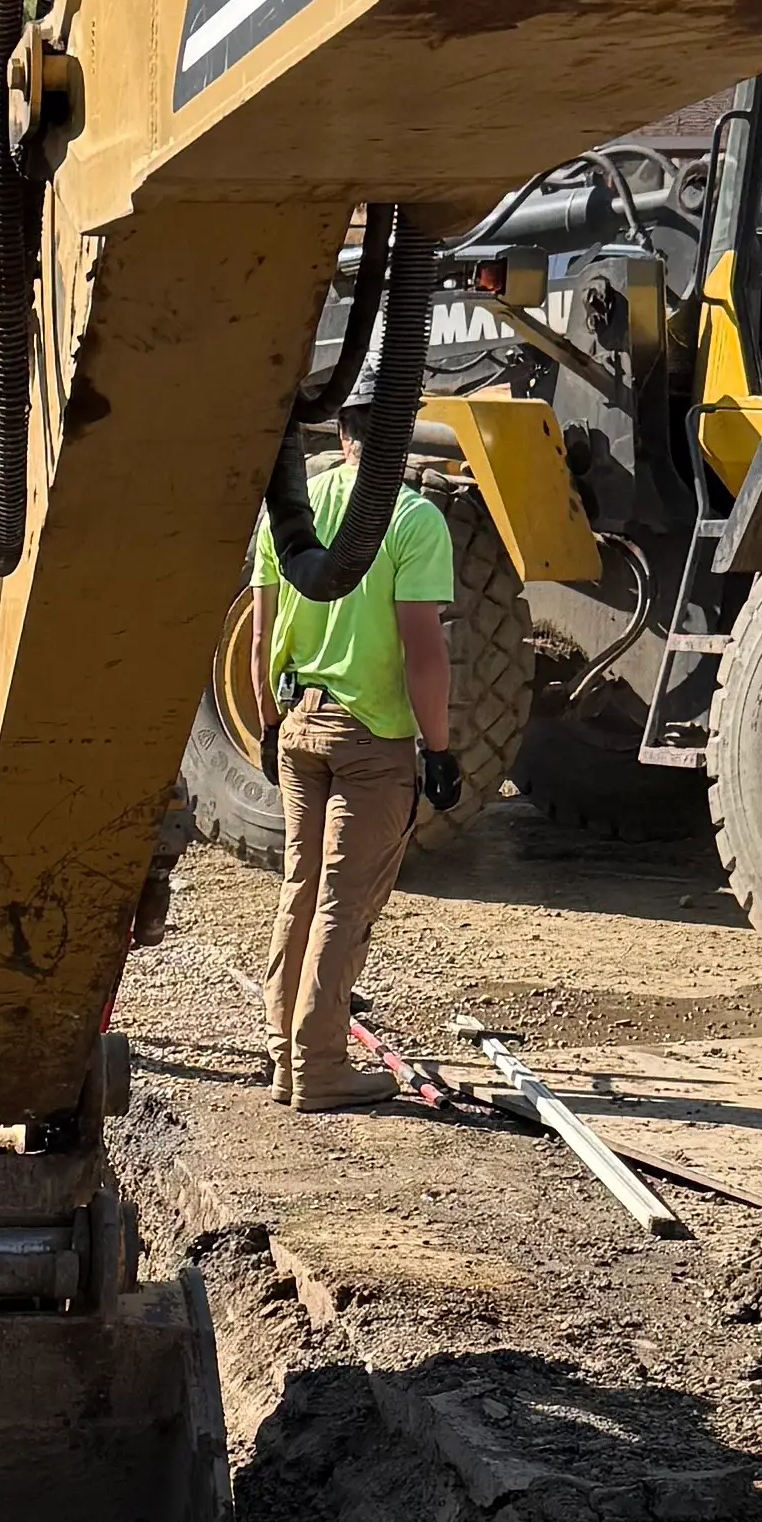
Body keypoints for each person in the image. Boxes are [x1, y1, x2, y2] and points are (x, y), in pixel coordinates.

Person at [251, 431, 460, 1109]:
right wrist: (440, 747)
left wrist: (266, 721)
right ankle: (320, 1069)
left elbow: (259, 633)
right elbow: (422, 651)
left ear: (342, 435)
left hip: (297, 723)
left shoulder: (291, 514)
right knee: (343, 903)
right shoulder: (411, 519)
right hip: (372, 740)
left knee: (300, 890)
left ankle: (285, 1059)